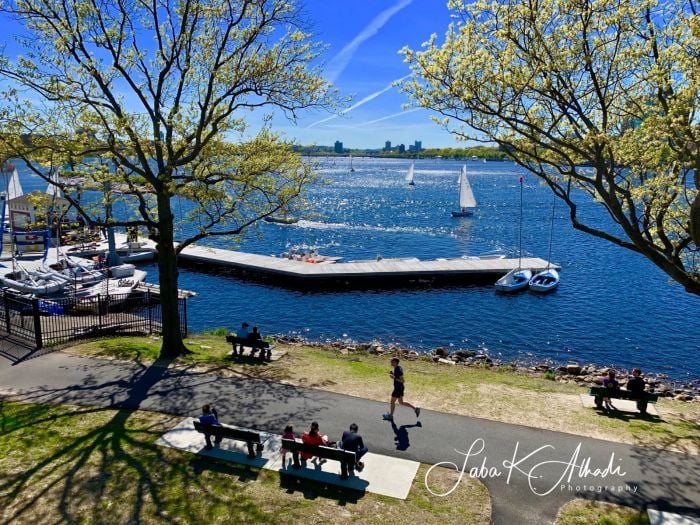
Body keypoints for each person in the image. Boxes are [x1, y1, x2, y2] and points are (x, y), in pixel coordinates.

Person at [385, 357, 420, 421]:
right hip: (400, 388)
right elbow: (399, 377)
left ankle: (391, 416)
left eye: (392, 362)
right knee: (401, 402)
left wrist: (394, 378)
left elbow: (403, 381)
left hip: (398, 388)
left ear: (395, 362)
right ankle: (415, 409)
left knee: (392, 402)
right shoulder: (398, 367)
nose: (391, 363)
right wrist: (393, 375)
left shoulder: (398, 369)